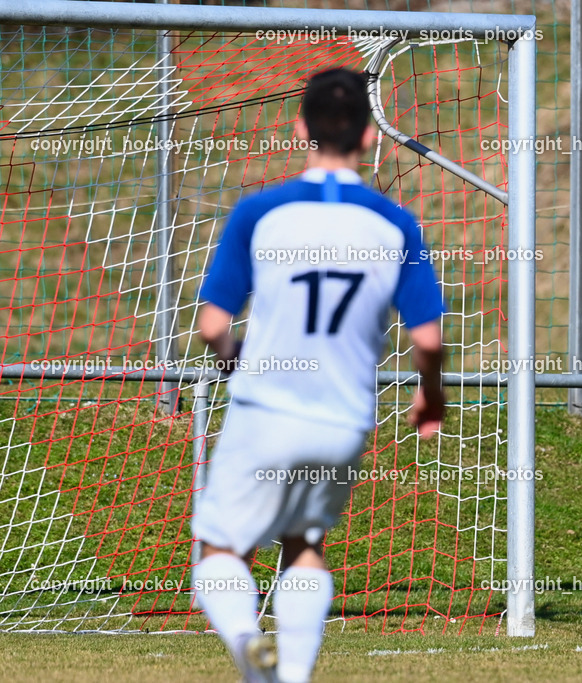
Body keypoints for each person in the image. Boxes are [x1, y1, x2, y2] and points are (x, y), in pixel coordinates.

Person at [192, 67, 446, 683]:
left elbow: (211, 324)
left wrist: (233, 361)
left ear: (299, 125)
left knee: (219, 552)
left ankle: (252, 645)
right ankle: (295, 676)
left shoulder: (261, 211)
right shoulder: (396, 224)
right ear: (368, 139)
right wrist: (430, 398)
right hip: (341, 418)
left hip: (266, 408)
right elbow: (429, 338)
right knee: (305, 544)